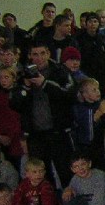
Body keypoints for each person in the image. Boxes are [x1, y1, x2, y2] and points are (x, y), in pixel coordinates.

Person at [9, 41, 76, 187]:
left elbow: (70, 95)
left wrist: (45, 84)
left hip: (58, 132)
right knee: (41, 177)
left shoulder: (60, 71)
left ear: (48, 54)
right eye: (35, 54)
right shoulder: (23, 74)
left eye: (42, 53)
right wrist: (26, 87)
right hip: (36, 135)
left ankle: (70, 201)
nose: (39, 58)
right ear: (30, 56)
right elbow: (14, 104)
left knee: (66, 172)